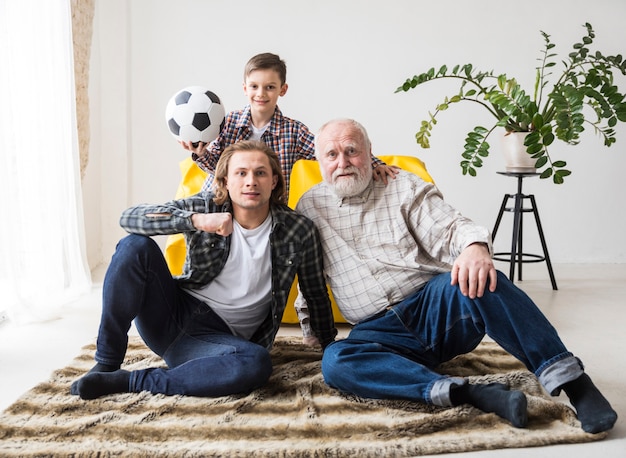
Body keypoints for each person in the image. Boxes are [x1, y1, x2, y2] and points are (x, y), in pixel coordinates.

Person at [294, 118, 617, 434]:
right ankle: (469, 394)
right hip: (379, 332)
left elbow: (450, 226)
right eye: (332, 155)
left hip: (434, 308)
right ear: (319, 161)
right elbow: (308, 272)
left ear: (369, 151)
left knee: (485, 278)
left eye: (352, 151)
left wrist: (475, 246)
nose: (343, 162)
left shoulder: (401, 186)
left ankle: (573, 383)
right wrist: (311, 326)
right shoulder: (310, 206)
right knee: (337, 361)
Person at [71, 140, 337, 400]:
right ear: (225, 182)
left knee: (256, 363)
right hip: (171, 315)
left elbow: (314, 293)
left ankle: (132, 381)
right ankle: (107, 363)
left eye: (260, 173)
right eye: (241, 173)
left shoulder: (299, 230)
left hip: (218, 343)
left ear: (274, 181)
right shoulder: (206, 207)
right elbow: (130, 218)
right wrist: (197, 221)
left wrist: (329, 346)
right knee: (134, 245)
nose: (251, 181)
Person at [181, 52, 396, 198]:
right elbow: (216, 168)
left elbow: (330, 150)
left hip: (265, 208)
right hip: (221, 200)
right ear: (245, 88)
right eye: (254, 86)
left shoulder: (293, 132)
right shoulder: (229, 123)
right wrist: (200, 154)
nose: (261, 94)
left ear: (282, 90)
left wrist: (375, 164)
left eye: (270, 87)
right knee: (179, 212)